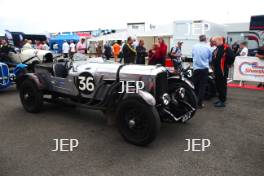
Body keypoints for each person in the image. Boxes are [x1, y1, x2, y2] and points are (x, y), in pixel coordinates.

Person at [212, 37, 235, 107]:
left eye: (215, 41)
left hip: (222, 71)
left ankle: (222, 101)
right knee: (218, 86)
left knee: (222, 86)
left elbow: (232, 57)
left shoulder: (226, 48)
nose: (214, 43)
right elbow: (214, 56)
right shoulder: (217, 48)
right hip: (217, 70)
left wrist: (228, 64)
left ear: (220, 40)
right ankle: (220, 99)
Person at [192, 35, 212, 108]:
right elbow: (210, 59)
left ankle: (193, 102)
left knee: (194, 85)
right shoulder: (208, 47)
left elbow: (193, 55)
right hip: (204, 69)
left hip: (196, 69)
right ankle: (200, 103)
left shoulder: (194, 46)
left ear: (199, 39)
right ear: (205, 39)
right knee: (202, 87)